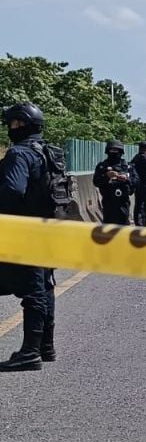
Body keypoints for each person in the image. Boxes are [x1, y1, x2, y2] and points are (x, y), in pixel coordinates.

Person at [0, 103, 58, 371]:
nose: (10, 128)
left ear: (20, 124)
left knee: (34, 291)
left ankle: (30, 352)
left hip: (24, 231)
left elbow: (12, 192)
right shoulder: (49, 152)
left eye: (12, 123)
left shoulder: (19, 153)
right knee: (44, 286)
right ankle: (45, 346)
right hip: (48, 229)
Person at [94, 140, 139, 225]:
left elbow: (136, 181)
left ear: (121, 151)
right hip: (108, 201)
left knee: (123, 226)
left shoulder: (127, 166)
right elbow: (96, 182)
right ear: (108, 151)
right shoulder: (102, 166)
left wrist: (126, 179)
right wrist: (107, 176)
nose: (114, 152)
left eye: (116, 150)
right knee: (108, 226)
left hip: (123, 201)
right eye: (112, 150)